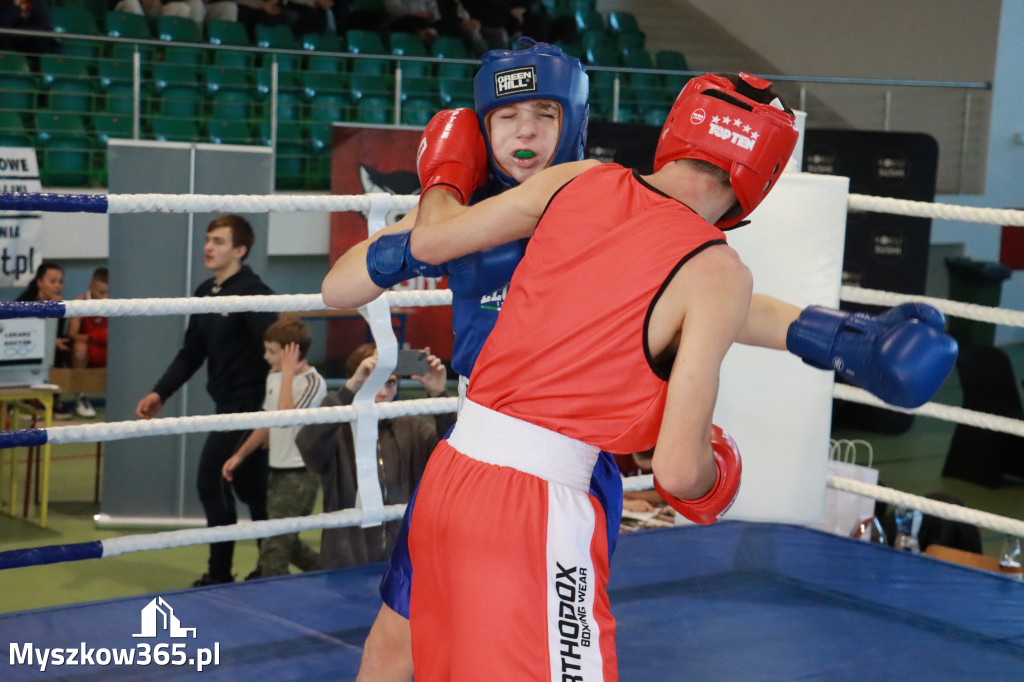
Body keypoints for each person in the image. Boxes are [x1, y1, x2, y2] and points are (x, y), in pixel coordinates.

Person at [390, 71, 956, 675]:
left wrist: (446, 175)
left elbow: (431, 241)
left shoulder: (578, 180)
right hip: (537, 505)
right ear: (760, 178)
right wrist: (719, 476)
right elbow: (680, 470)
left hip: (451, 477)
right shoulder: (718, 272)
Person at [323, 40, 624, 681]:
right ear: (483, 127)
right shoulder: (459, 207)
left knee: (532, 657)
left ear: (575, 121)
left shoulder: (610, 203)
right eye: (507, 115)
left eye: (545, 112)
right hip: (470, 453)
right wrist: (437, 200)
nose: (526, 131)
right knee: (393, 639)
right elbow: (339, 288)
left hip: (561, 460)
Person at [135, 214, 278, 587]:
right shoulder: (205, 293)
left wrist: (276, 409)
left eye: (218, 241)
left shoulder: (253, 293)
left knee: (211, 482)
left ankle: (219, 574)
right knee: (252, 489)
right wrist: (159, 392)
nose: (208, 247)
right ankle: (272, 569)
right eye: (207, 239)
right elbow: (191, 352)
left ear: (240, 250)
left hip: (247, 408)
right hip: (226, 406)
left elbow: (280, 346)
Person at [294, 342, 449, 569]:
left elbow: (452, 455)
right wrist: (348, 391)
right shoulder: (337, 430)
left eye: (391, 382)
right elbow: (307, 445)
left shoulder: (413, 427)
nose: (383, 392)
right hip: (345, 563)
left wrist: (439, 394)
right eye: (373, 380)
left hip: (402, 563)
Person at [222, 318, 327, 578]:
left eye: (272, 351)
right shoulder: (274, 376)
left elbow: (285, 416)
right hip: (277, 470)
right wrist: (240, 454)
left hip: (301, 473)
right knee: (285, 543)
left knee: (275, 548)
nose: (266, 357)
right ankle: (333, 573)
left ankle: (274, 604)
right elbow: (267, 422)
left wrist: (289, 374)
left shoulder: (314, 382)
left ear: (292, 352)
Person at [16, 261, 73, 418]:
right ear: (40, 282)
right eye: (52, 281)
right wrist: (49, 341)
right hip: (23, 345)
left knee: (59, 352)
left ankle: (52, 399)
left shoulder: (59, 303)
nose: (57, 286)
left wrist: (54, 312)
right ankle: (25, 400)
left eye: (60, 282)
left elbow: (58, 334)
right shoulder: (24, 301)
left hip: (49, 347)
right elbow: (19, 332)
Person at [67, 267, 109, 418]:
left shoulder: (116, 302)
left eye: (108, 293)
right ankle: (81, 395)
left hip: (108, 350)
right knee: (79, 348)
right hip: (89, 350)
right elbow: (72, 334)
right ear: (91, 287)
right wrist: (94, 337)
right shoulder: (80, 301)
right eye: (102, 293)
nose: (105, 297)